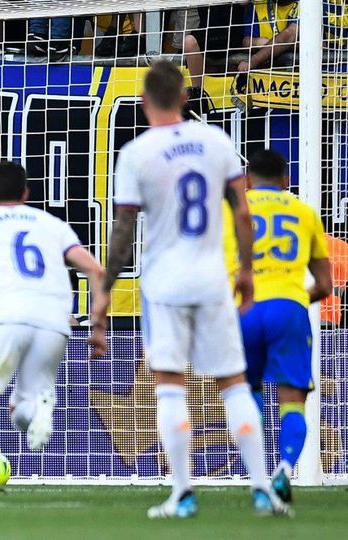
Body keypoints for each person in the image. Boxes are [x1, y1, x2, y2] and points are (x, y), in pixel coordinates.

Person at [96, 60, 291, 518]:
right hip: (211, 277)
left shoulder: (137, 153)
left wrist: (105, 289)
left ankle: (182, 493)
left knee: (169, 385)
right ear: (184, 97)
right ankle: (262, 489)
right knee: (234, 382)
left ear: (145, 103)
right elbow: (242, 214)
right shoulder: (215, 141)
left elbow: (123, 228)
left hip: (164, 281)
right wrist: (245, 270)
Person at [0, 161, 108, 505]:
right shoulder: (52, 225)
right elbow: (96, 270)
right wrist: (99, 325)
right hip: (56, 322)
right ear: (27, 193)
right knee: (20, 412)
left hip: (8, 317)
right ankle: (38, 405)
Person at [223, 149, 332, 503]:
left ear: (248, 180)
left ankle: (257, 483)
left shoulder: (233, 211)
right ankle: (284, 470)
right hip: (289, 308)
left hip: (243, 309)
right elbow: (325, 285)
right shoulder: (304, 211)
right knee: (293, 402)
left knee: (245, 394)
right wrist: (295, 299)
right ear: (286, 180)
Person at [238, 0, 299, 72]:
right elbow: (246, 42)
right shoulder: (258, 5)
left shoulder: (307, 5)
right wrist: (256, 42)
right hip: (263, 73)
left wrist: (254, 60)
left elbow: (290, 35)